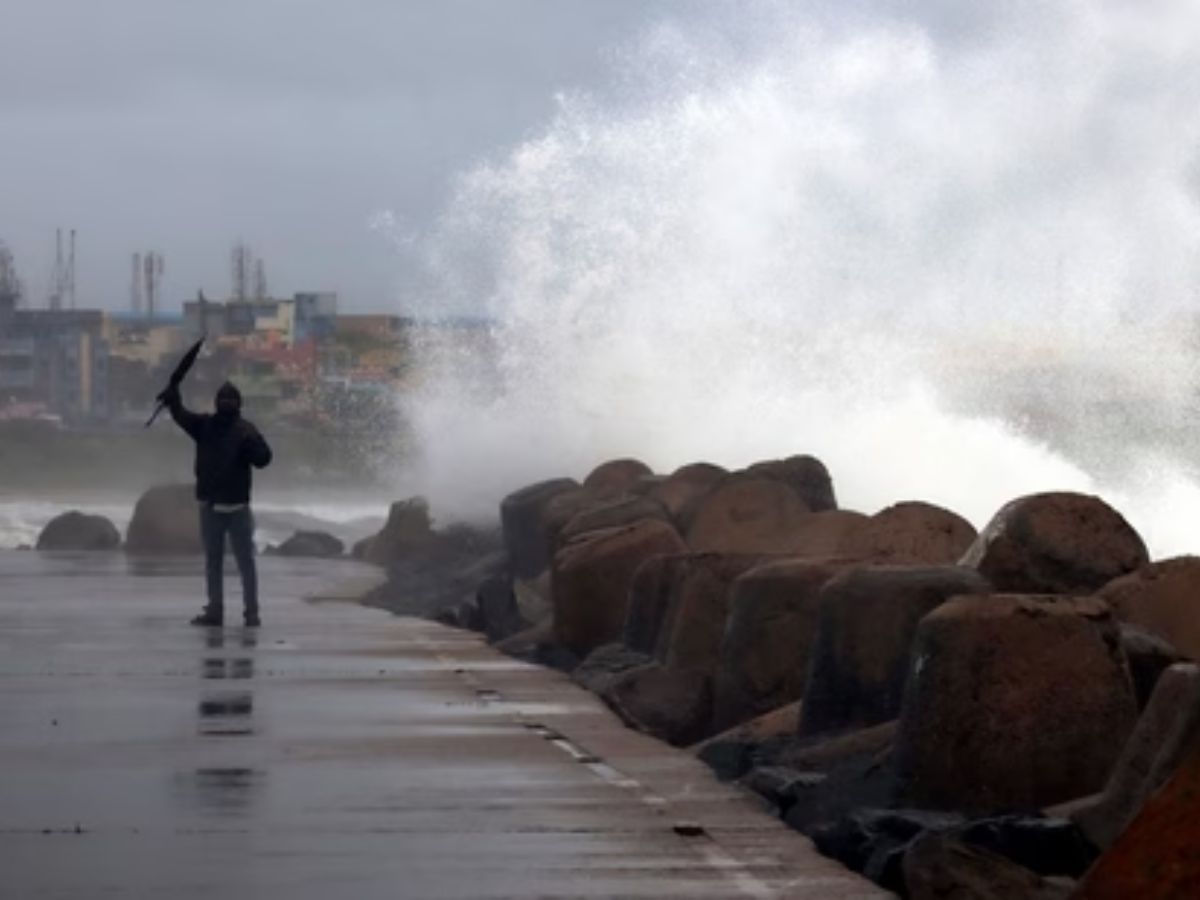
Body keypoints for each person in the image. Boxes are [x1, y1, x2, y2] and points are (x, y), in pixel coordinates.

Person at [159, 380, 273, 627]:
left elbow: (264, 459)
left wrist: (252, 447)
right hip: (214, 506)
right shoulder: (209, 426)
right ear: (218, 403)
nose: (227, 403)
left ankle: (243, 613)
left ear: (238, 404)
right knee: (228, 562)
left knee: (233, 562)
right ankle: (226, 612)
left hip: (232, 508)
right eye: (224, 399)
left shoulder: (240, 430)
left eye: (230, 399)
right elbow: (182, 415)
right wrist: (173, 399)